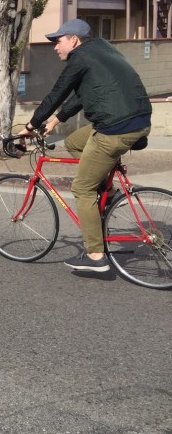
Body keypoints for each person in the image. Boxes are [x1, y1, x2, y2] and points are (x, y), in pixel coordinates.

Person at [19, 18, 152, 273]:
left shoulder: (78, 58)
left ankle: (94, 256)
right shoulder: (103, 49)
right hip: (137, 120)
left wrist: (30, 127)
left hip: (116, 127)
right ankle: (109, 191)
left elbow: (56, 93)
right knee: (73, 142)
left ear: (74, 39)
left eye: (58, 41)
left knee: (81, 188)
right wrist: (56, 120)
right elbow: (81, 95)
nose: (55, 47)